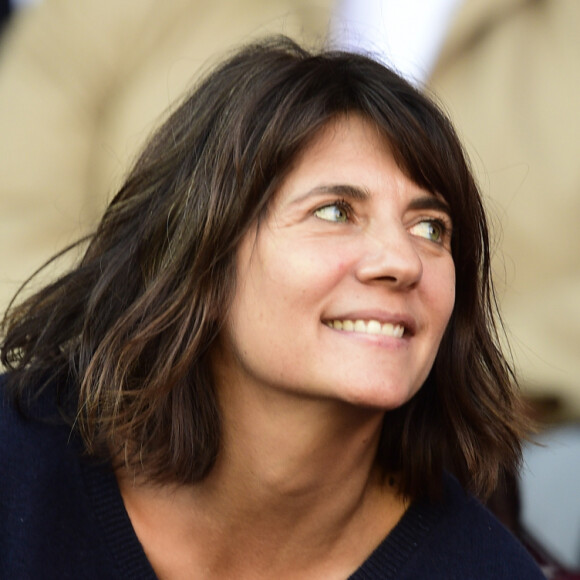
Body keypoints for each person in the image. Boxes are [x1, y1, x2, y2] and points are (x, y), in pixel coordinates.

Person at [0, 37, 544, 579]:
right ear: (204, 253)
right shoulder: (17, 463)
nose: (403, 261)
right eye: (335, 211)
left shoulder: (486, 569)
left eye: (431, 228)